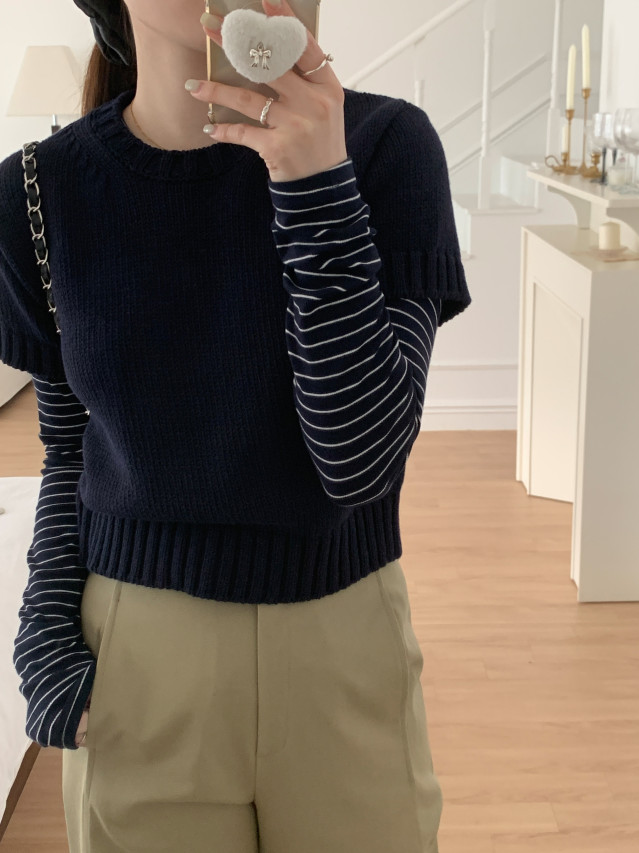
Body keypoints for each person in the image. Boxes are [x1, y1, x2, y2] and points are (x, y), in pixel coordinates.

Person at [0, 0, 472, 850]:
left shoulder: (385, 146)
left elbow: (360, 463)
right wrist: (44, 627)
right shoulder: (35, 191)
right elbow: (69, 445)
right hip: (138, 660)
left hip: (343, 639)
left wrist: (315, 183)